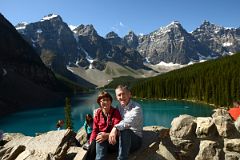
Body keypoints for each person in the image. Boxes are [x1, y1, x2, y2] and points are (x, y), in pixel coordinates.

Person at [109, 85, 143, 160]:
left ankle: (122, 158)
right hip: (120, 138)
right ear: (117, 97)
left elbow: (127, 123)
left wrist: (115, 128)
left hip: (134, 140)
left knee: (125, 130)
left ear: (129, 94)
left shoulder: (136, 108)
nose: (121, 97)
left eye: (123, 94)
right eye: (119, 95)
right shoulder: (118, 107)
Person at [87, 91, 122, 160]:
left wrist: (106, 135)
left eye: (107, 100)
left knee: (100, 139)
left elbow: (118, 130)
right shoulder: (98, 113)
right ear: (99, 103)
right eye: (102, 100)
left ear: (110, 101)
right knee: (95, 142)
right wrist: (91, 141)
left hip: (113, 142)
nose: (105, 102)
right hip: (101, 139)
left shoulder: (115, 112)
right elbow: (95, 130)